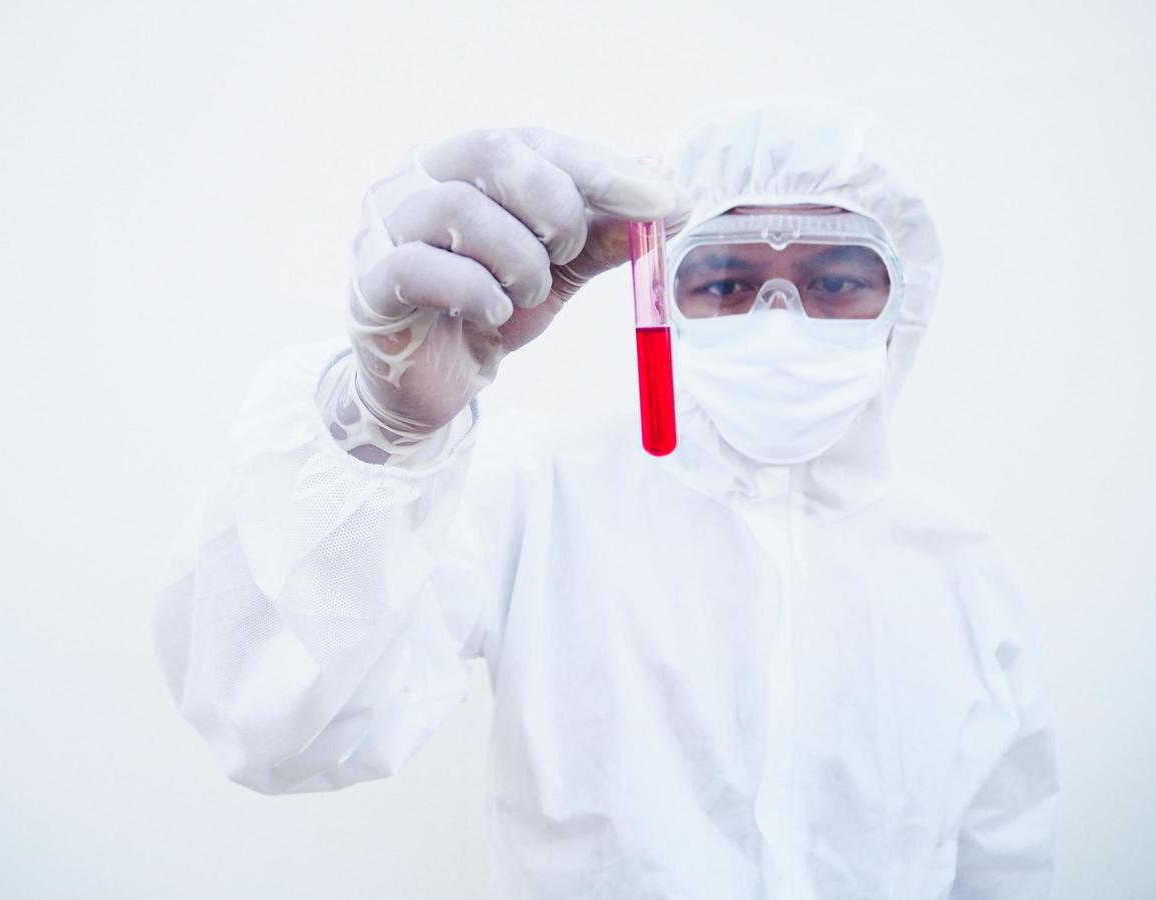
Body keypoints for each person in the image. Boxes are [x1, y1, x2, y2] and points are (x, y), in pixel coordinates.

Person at [153, 100, 1059, 899]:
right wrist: (380, 432)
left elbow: (1002, 863)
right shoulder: (540, 492)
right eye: (728, 281)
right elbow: (271, 723)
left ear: (902, 302)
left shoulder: (961, 570)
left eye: (835, 281)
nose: (779, 315)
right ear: (661, 289)